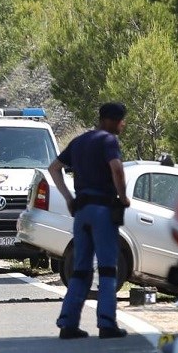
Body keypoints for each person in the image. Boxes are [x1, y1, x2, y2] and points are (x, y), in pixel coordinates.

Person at [46, 102, 131, 339]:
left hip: (81, 211)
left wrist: (68, 198)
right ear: (111, 120)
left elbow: (54, 168)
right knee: (107, 268)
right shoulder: (108, 141)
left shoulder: (79, 141)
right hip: (102, 210)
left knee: (81, 270)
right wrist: (123, 197)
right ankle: (106, 323)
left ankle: (68, 323)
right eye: (121, 120)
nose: (123, 125)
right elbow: (116, 169)